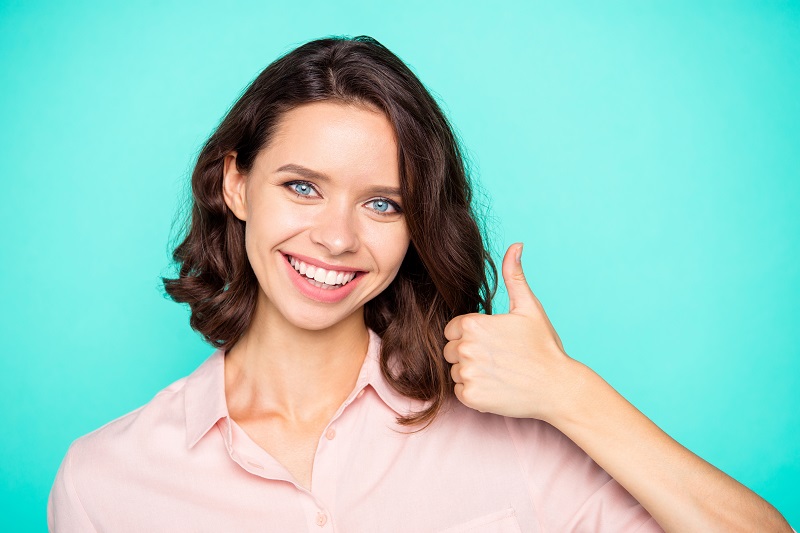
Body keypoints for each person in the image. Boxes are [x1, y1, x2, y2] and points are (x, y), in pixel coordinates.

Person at [48, 35, 792, 532]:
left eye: (382, 203)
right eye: (302, 186)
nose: (337, 237)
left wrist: (570, 392)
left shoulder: (516, 442)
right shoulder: (104, 481)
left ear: (416, 226)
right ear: (236, 186)